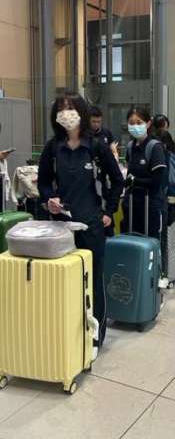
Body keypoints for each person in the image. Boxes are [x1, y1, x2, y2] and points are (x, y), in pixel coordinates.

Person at [38, 91, 124, 347]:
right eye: (61, 109)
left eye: (71, 108)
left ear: (81, 112)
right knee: (62, 280)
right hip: (61, 226)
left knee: (93, 280)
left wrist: (109, 212)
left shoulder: (96, 147)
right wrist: (49, 199)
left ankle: (95, 337)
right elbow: (43, 182)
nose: (66, 113)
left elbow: (117, 180)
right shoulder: (53, 148)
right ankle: (68, 335)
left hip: (92, 225)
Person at [124, 107, 168, 243]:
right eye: (131, 123)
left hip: (151, 205)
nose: (135, 126)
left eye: (139, 122)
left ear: (148, 124)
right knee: (133, 242)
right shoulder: (130, 147)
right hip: (133, 204)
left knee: (152, 243)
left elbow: (157, 181)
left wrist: (135, 181)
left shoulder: (155, 147)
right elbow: (128, 173)